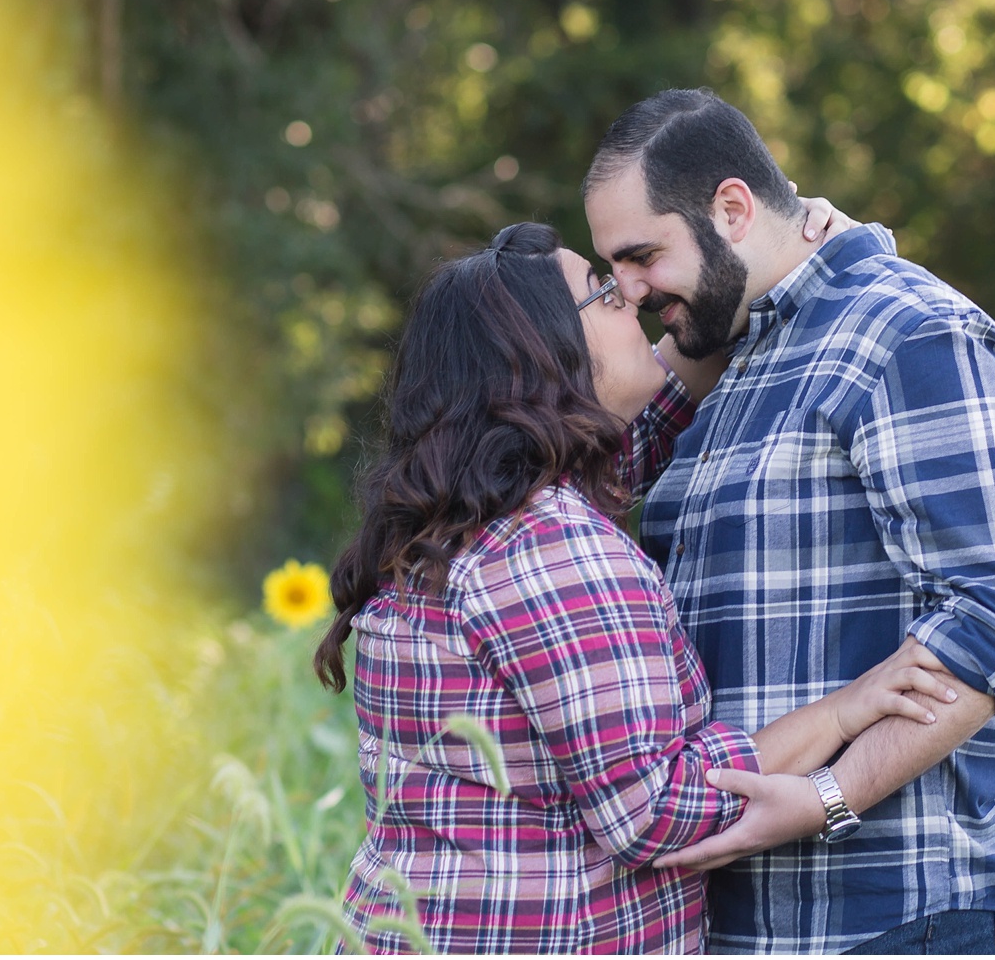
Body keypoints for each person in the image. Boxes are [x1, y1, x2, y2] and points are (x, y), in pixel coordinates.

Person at [311, 220, 958, 954]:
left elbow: (644, 423)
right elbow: (654, 810)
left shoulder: (454, 525)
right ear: (544, 358)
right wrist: (842, 712)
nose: (638, 300)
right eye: (607, 297)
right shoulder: (554, 550)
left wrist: (776, 258)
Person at [581, 88, 995, 955]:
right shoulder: (729, 351)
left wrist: (830, 794)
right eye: (612, 269)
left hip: (907, 911)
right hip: (748, 918)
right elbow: (572, 470)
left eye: (643, 256)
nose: (631, 290)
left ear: (732, 208)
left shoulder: (909, 337)